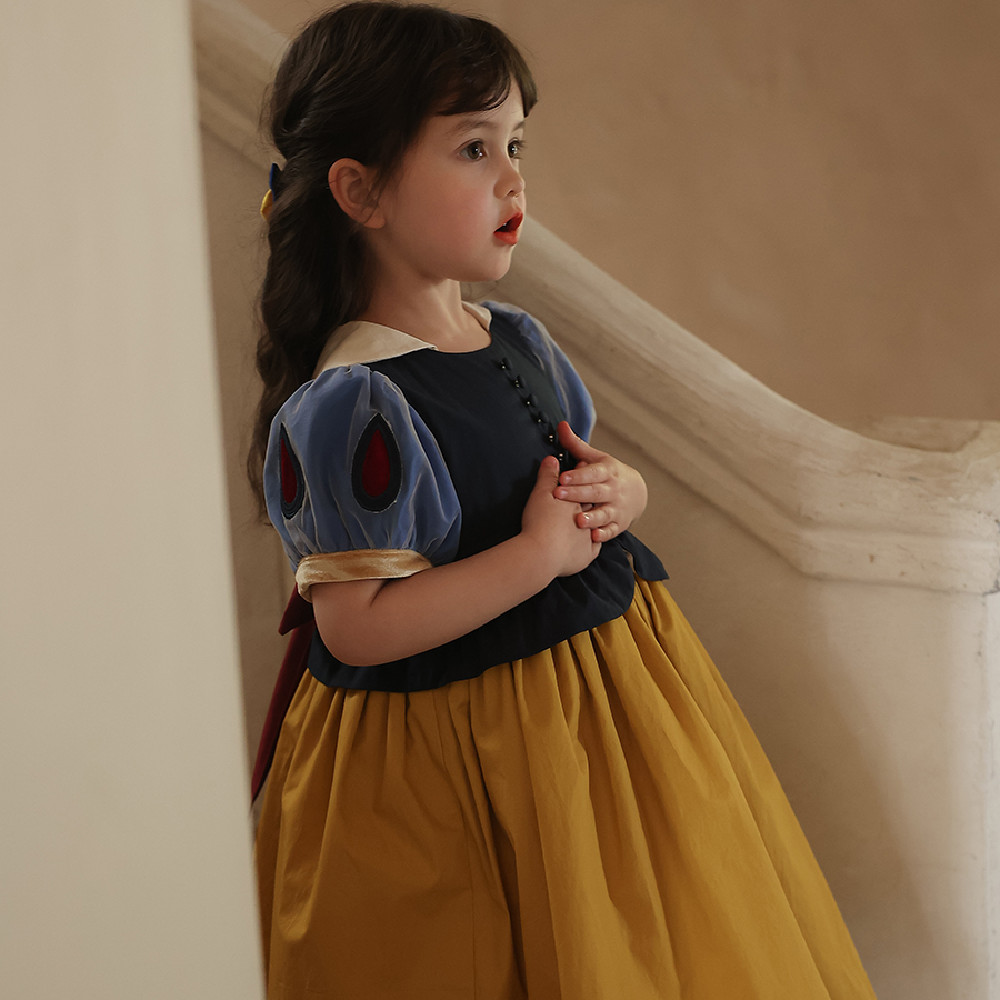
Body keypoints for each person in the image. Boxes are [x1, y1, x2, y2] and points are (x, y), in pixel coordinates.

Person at [248, 3, 877, 998]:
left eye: (515, 145)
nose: (512, 178)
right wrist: (537, 555)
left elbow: (583, 471)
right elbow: (356, 627)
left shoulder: (516, 338)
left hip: (600, 730)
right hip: (459, 760)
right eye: (472, 148)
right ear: (361, 191)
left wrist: (621, 489)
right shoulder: (354, 404)